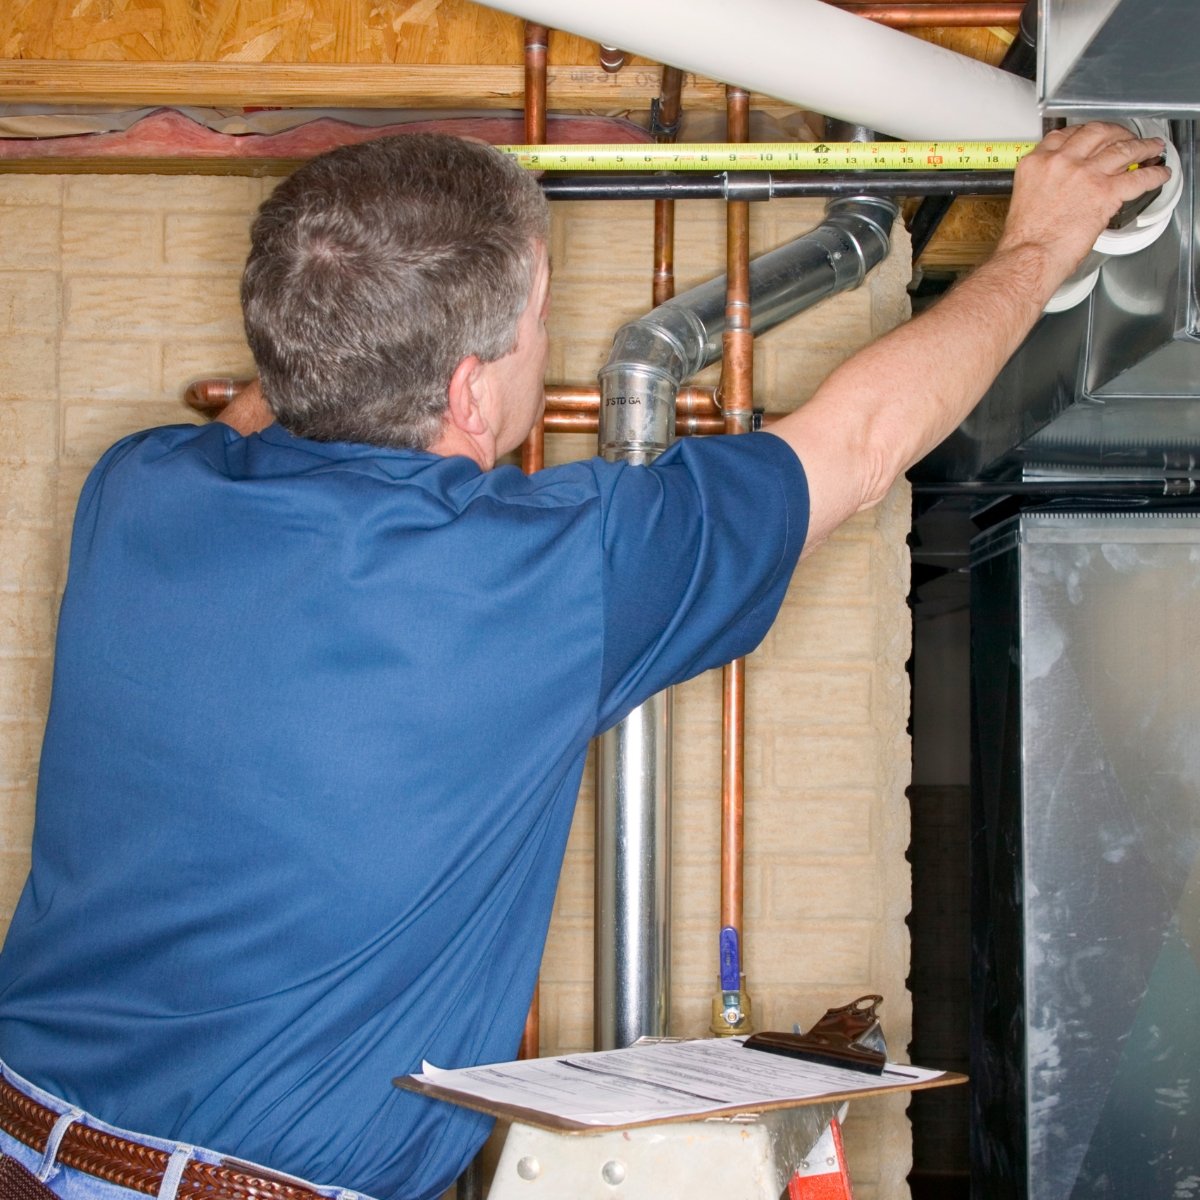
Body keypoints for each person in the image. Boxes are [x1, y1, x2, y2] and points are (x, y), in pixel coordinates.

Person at [0, 125, 1168, 1200]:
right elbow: (858, 448)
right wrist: (1038, 244)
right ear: (468, 388)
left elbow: (271, 406)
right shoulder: (553, 571)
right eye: (539, 316)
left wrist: (342, 336)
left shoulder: (140, 488)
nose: (545, 337)